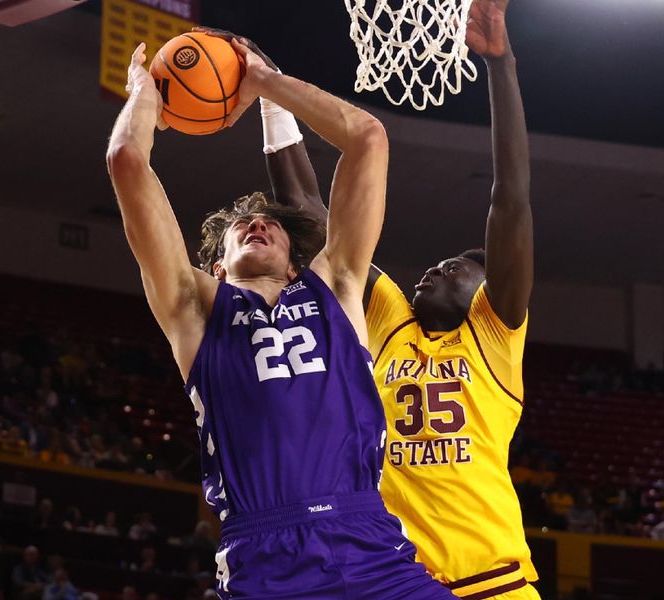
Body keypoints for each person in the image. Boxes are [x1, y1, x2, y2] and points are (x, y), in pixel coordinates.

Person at [106, 35, 456, 599]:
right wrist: (144, 96)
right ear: (216, 267)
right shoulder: (196, 311)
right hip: (265, 554)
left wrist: (264, 82)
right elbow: (127, 161)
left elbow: (368, 138)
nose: (256, 223)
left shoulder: (336, 286)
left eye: (268, 223)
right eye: (238, 228)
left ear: (296, 257)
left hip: (369, 541)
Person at [254, 0, 538, 596]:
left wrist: (502, 65)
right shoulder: (389, 324)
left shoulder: (494, 336)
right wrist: (271, 98)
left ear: (487, 293)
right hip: (396, 581)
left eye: (456, 268)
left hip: (494, 580)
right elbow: (311, 222)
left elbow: (509, 199)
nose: (435, 268)